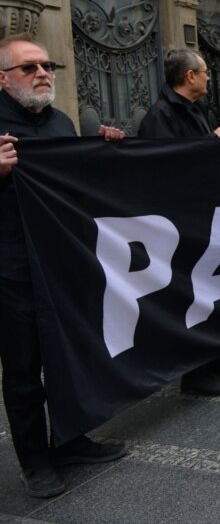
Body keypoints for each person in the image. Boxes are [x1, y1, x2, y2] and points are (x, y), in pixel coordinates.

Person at [0, 34, 128, 498]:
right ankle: (35, 462)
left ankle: (71, 439)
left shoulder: (61, 123)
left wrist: (100, 150)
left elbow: (76, 188)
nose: (43, 74)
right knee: (22, 368)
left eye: (47, 66)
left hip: (60, 262)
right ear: (3, 78)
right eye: (29, 68)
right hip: (12, 269)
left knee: (69, 355)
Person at [138, 48, 220, 397]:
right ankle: (195, 372)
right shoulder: (160, 115)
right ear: (189, 77)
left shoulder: (196, 109)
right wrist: (208, 141)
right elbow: (164, 163)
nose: (209, 77)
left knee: (212, 290)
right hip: (181, 218)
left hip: (204, 210)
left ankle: (216, 357)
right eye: (204, 72)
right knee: (192, 296)